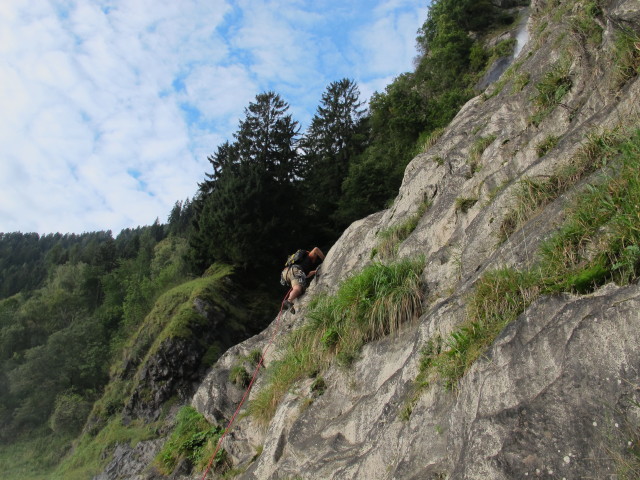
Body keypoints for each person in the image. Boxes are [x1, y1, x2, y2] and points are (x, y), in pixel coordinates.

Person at [281, 247, 325, 313]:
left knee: (298, 289)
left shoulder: (303, 263)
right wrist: (324, 259)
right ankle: (289, 301)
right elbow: (316, 249)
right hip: (295, 270)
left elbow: (304, 275)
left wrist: (314, 272)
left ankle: (290, 303)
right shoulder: (309, 256)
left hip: (285, 274)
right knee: (298, 289)